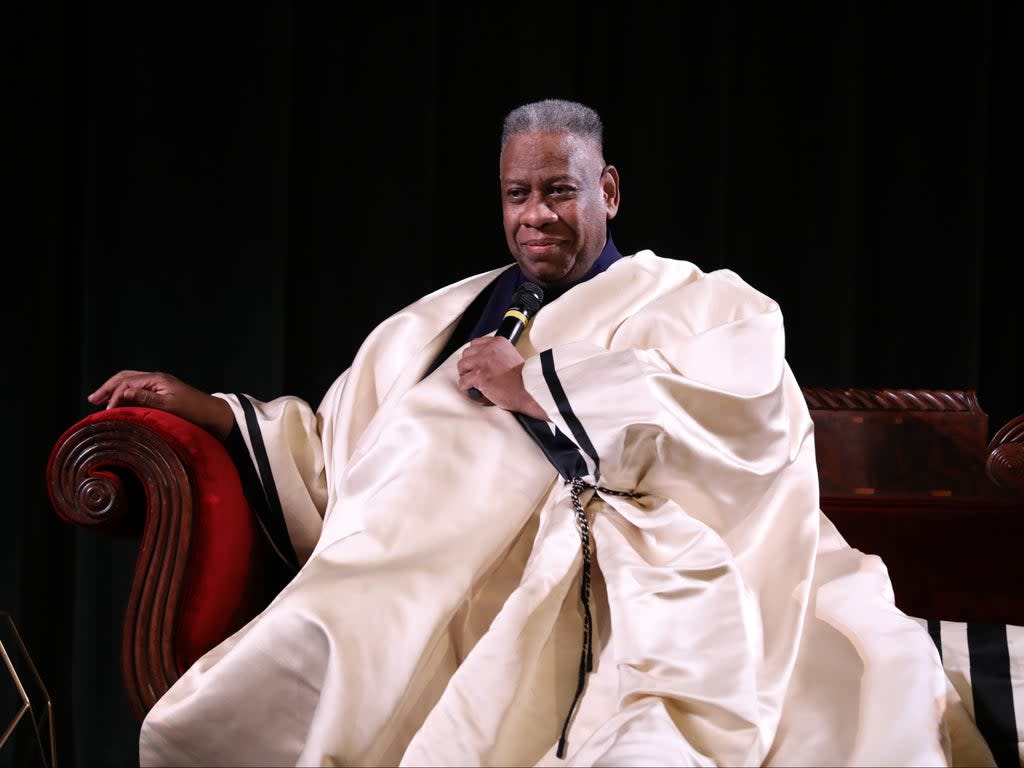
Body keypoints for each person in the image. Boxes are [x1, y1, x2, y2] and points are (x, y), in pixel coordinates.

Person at [88, 99, 992, 767]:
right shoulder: (443, 315)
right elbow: (334, 446)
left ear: (607, 188)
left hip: (606, 563)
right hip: (419, 564)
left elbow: (739, 419)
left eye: (559, 192)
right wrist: (204, 406)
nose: (536, 216)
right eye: (518, 194)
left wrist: (534, 389)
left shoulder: (699, 300)